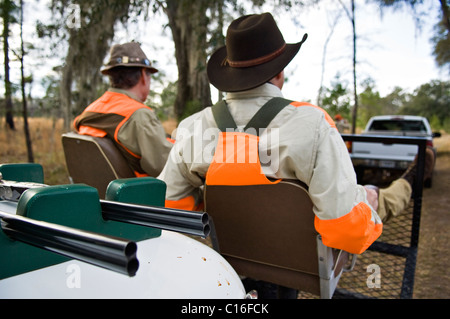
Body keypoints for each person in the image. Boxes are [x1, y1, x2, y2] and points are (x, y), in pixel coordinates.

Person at [157, 13, 434, 297]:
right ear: (280, 72)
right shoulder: (313, 125)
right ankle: (400, 186)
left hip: (232, 262)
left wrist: (221, 194)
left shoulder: (191, 128)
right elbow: (344, 229)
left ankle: (391, 189)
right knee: (368, 197)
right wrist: (368, 209)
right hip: (301, 268)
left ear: (231, 73)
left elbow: (170, 204)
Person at [73, 42, 173, 177]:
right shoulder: (138, 115)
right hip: (145, 194)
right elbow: (167, 166)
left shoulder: (90, 111)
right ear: (144, 75)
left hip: (103, 193)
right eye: (149, 75)